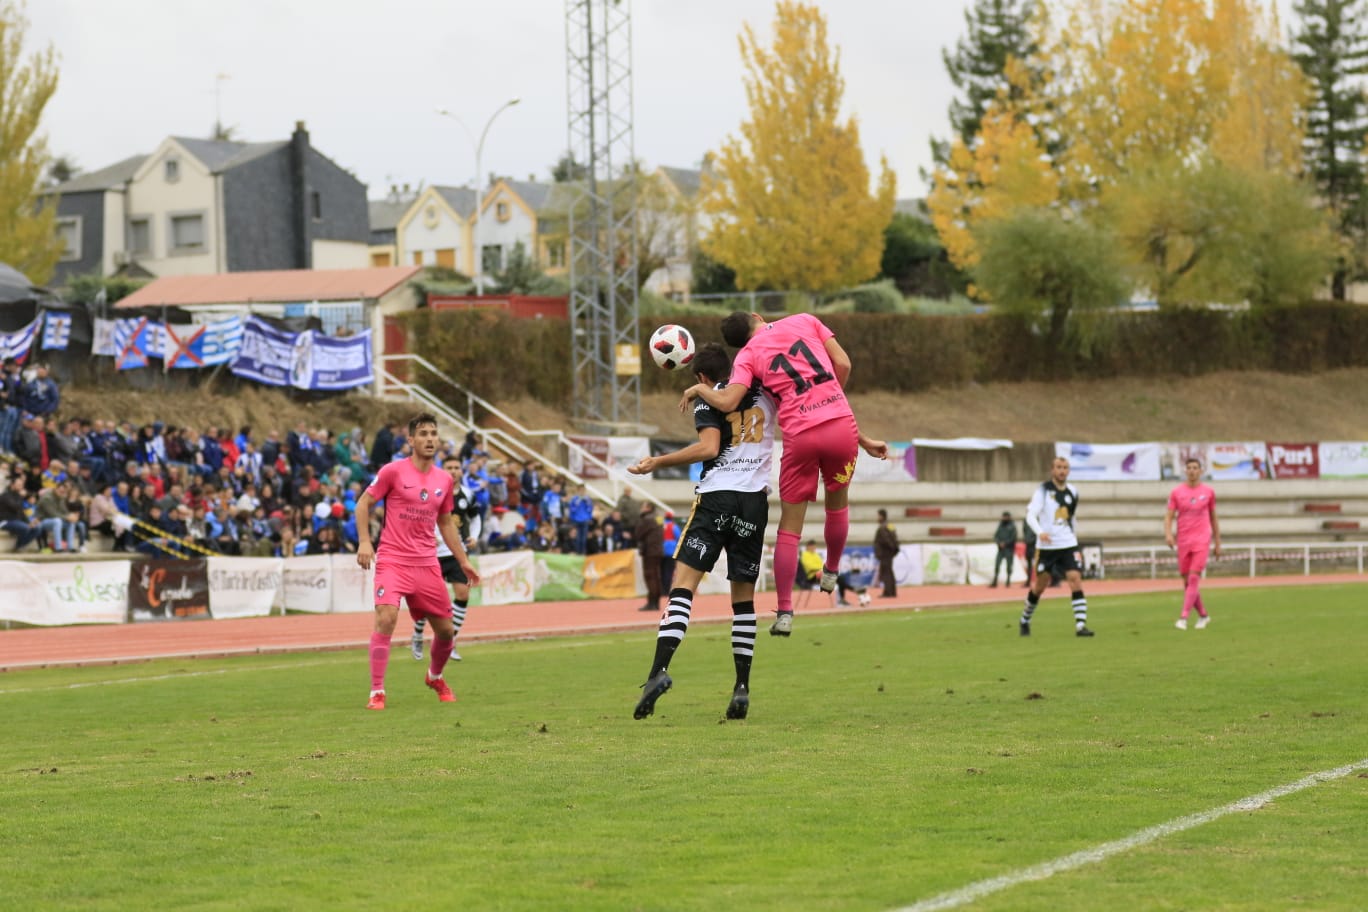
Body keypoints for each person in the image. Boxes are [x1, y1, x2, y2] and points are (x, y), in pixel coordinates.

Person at [682, 311, 887, 637]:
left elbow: (729, 400)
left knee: (790, 529)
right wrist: (834, 404)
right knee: (838, 503)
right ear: (756, 316)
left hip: (800, 436)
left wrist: (699, 390)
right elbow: (843, 365)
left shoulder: (747, 356)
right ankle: (831, 570)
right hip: (840, 426)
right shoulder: (805, 320)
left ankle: (786, 611)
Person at [627, 341, 775, 720]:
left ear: (701, 377)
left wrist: (656, 462)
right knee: (743, 602)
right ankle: (741, 688)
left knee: (682, 589)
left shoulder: (709, 398)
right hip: (753, 503)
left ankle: (657, 673)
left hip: (716, 499)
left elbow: (709, 448)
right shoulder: (763, 395)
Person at [355, 412, 481, 711]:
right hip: (393, 560)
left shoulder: (444, 480)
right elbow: (363, 503)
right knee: (386, 617)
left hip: (427, 563)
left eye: (433, 433)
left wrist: (463, 561)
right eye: (422, 433)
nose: (429, 439)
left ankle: (435, 677)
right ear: (410, 440)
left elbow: (446, 524)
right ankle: (377, 691)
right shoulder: (392, 471)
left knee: (446, 632)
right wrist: (364, 541)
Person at [411, 458, 484, 662]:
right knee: (427, 600)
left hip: (456, 552)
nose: (453, 471)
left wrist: (475, 536)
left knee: (463, 594)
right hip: (431, 553)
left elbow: (476, 517)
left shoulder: (468, 495)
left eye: (456, 468)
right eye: (449, 468)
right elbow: (416, 515)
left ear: (462, 471)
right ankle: (417, 633)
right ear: (442, 470)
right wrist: (425, 534)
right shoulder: (431, 490)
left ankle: (449, 642)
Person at [1020, 457, 1095, 637]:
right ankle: (1025, 619)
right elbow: (1030, 515)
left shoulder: (1073, 492)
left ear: (1068, 471)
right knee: (1040, 586)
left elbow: (1072, 517)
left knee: (1075, 579)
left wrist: (1075, 538)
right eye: (1059, 467)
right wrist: (1040, 532)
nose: (1062, 471)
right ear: (1052, 470)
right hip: (1047, 547)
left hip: (1068, 544)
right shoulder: (1043, 491)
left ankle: (1080, 626)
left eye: (1065, 468)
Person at [1165, 457, 1221, 630]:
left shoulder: (1209, 492)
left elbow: (1213, 517)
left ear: (1201, 471)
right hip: (1183, 540)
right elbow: (1169, 516)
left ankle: (1183, 618)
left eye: (1195, 467)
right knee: (1186, 582)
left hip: (1202, 540)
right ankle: (1203, 615)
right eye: (1189, 468)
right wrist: (1168, 534)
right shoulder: (1176, 492)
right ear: (1185, 471)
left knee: (1194, 577)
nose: (1192, 471)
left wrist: (1217, 542)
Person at [635, 500, 664, 612]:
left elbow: (638, 533)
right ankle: (655, 602)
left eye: (643, 506)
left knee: (650, 576)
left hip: (650, 550)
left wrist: (640, 518)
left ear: (648, 508)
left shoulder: (646, 519)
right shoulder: (658, 518)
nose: (641, 509)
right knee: (656, 576)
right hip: (658, 549)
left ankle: (652, 602)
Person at [872, 508, 899, 598]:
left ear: (882, 516)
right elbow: (895, 538)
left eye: (878, 516)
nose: (877, 517)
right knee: (890, 572)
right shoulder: (890, 525)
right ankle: (892, 591)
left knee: (886, 573)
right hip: (890, 553)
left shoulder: (882, 528)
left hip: (885, 553)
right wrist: (894, 549)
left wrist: (887, 550)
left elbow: (885, 541)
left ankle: (888, 592)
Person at [991, 510, 1018, 588]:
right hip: (1000, 549)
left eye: (1006, 517)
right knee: (997, 564)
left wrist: (1005, 543)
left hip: (1009, 549)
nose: (1004, 518)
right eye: (1003, 516)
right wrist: (999, 543)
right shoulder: (1000, 525)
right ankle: (995, 580)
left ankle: (1008, 580)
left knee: (1009, 566)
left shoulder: (1012, 526)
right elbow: (996, 536)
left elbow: (1013, 538)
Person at [1020, 513, 1037, 588]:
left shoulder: (1036, 520)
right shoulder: (1026, 521)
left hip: (1035, 546)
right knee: (1029, 564)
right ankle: (1029, 581)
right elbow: (1024, 531)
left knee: (1039, 564)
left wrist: (1031, 541)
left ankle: (1040, 580)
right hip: (1028, 546)